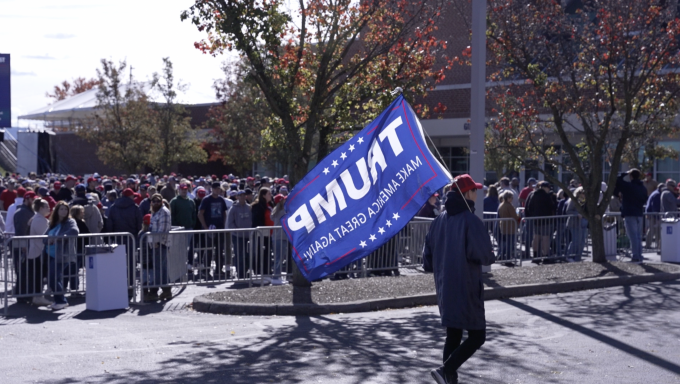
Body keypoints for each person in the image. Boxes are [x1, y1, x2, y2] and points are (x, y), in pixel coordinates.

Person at [423, 174, 495, 384]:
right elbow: (484, 255)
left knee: (453, 335)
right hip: (467, 287)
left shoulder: (438, 221)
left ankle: (447, 377)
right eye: (474, 190)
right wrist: (490, 251)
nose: (477, 194)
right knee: (477, 336)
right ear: (466, 194)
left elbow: (427, 260)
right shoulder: (470, 221)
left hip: (445, 287)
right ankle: (447, 370)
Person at [104, 188, 143, 299]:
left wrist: (110, 238)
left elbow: (109, 224)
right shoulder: (135, 208)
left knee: (118, 264)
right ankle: (130, 287)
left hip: (117, 239)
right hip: (131, 239)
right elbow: (139, 224)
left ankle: (118, 286)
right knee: (131, 264)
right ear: (130, 196)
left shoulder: (113, 207)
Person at [45, 201, 79, 310]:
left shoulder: (70, 221)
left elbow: (74, 231)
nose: (64, 211)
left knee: (53, 278)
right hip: (50, 253)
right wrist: (48, 241)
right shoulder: (53, 223)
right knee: (53, 278)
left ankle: (61, 301)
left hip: (62, 254)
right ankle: (58, 300)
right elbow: (44, 237)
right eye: (61, 209)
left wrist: (59, 237)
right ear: (56, 210)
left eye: (65, 209)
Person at [614, 169, 648, 263]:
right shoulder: (643, 188)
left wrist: (624, 173)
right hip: (639, 213)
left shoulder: (628, 187)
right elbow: (645, 199)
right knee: (638, 236)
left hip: (630, 213)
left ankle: (635, 256)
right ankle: (639, 255)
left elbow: (617, 181)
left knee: (632, 236)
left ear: (631, 176)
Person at [198, 182, 229, 279]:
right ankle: (206, 270)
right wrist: (205, 227)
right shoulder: (206, 199)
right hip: (209, 229)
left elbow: (224, 213)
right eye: (215, 188)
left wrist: (224, 225)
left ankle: (218, 270)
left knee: (220, 250)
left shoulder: (221, 200)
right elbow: (200, 214)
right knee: (209, 250)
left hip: (220, 229)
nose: (217, 190)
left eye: (218, 188)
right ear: (212, 189)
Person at [146, 194, 172, 301]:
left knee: (159, 269)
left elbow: (163, 230)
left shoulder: (164, 212)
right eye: (153, 201)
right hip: (154, 244)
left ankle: (154, 292)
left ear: (162, 201)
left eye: (158, 201)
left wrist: (157, 242)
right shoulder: (155, 212)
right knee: (161, 268)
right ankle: (166, 291)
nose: (156, 203)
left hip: (160, 244)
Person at [11, 190, 36, 303]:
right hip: (23, 246)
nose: (34, 201)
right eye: (32, 199)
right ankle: (22, 295)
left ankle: (25, 294)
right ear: (26, 199)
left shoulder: (27, 211)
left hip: (25, 245)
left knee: (25, 271)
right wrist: (24, 246)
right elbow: (21, 231)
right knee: (23, 271)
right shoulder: (22, 212)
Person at [27, 198, 52, 306]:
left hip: (39, 251)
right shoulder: (39, 220)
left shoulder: (39, 218)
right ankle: (37, 297)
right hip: (38, 251)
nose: (49, 208)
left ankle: (38, 296)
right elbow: (45, 236)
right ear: (41, 208)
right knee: (39, 275)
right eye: (47, 206)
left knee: (40, 275)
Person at [524, 181, 556, 261]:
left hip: (536, 220)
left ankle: (535, 256)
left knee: (536, 237)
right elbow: (552, 207)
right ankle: (545, 256)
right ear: (545, 187)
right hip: (546, 220)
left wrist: (533, 215)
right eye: (548, 188)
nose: (549, 189)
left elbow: (528, 207)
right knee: (545, 238)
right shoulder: (546, 196)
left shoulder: (533, 194)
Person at [170, 183, 197, 268]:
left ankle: (187, 264)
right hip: (178, 229)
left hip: (189, 228)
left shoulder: (191, 201)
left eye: (185, 189)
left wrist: (192, 224)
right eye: (182, 189)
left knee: (187, 248)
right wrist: (175, 226)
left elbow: (194, 214)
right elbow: (172, 215)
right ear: (179, 190)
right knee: (178, 248)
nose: (184, 191)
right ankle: (178, 265)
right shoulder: (174, 201)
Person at [227, 190, 252, 279]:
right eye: (240, 196)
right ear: (237, 197)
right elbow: (230, 223)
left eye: (243, 195)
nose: (242, 197)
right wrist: (237, 230)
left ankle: (246, 271)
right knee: (239, 254)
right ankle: (240, 273)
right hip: (237, 236)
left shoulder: (249, 207)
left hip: (248, 236)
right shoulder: (233, 208)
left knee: (247, 254)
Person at [251, 187, 274, 278]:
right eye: (269, 194)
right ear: (263, 195)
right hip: (261, 233)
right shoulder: (257, 206)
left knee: (268, 252)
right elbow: (256, 221)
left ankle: (267, 270)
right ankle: (259, 271)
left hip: (270, 233)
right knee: (260, 252)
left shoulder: (270, 205)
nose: (271, 195)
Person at [565, 187, 588, 262]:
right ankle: (569, 256)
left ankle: (578, 257)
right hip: (574, 223)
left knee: (582, 242)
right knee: (576, 241)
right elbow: (568, 210)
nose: (584, 195)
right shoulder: (573, 200)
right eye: (582, 193)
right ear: (578, 193)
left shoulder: (586, 201)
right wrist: (577, 214)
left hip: (583, 223)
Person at [497, 191, 520, 263]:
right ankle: (508, 258)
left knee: (504, 242)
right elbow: (515, 216)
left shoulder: (501, 205)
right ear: (508, 198)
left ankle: (501, 255)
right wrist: (519, 215)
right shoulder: (509, 206)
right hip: (510, 227)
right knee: (510, 243)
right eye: (511, 197)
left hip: (503, 226)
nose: (512, 199)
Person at [270, 194, 288, 285]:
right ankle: (276, 277)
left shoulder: (276, 211)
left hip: (278, 237)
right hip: (280, 237)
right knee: (279, 258)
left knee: (279, 257)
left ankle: (277, 276)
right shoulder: (282, 211)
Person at [645, 183, 664, 249]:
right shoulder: (657, 195)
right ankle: (648, 245)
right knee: (652, 230)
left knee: (655, 229)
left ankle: (658, 244)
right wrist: (657, 218)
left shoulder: (655, 193)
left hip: (651, 214)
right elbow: (655, 207)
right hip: (653, 215)